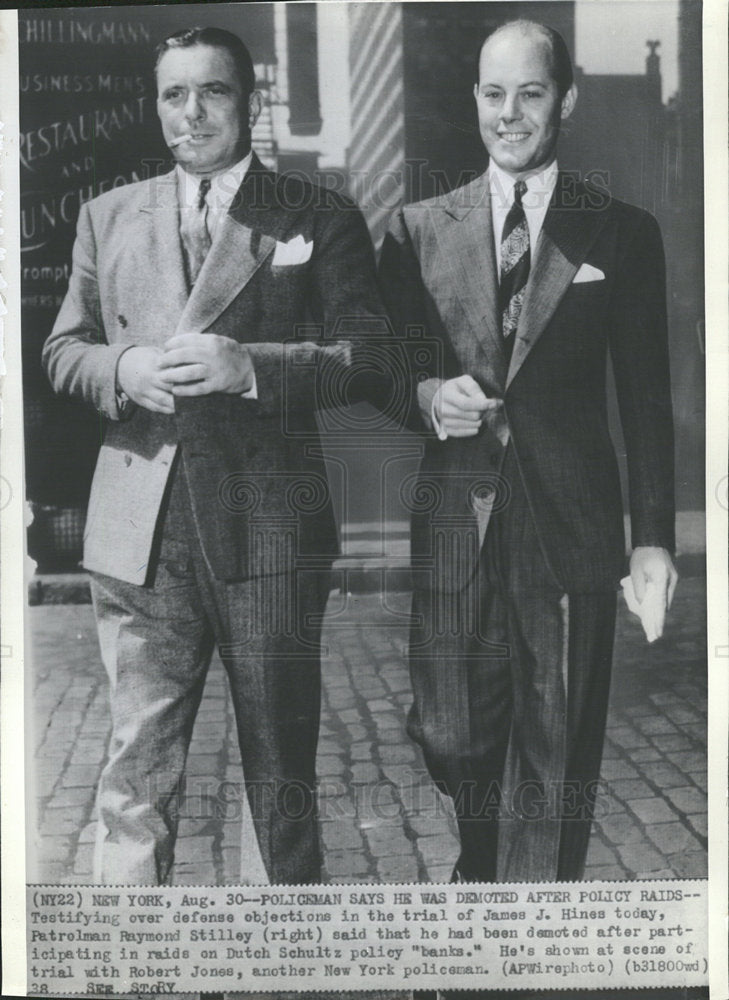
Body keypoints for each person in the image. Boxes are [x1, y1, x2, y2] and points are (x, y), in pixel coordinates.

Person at [43, 25, 391, 885]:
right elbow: (63, 350)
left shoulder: (316, 213)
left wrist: (253, 367)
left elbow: (370, 360)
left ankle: (281, 943)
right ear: (156, 104)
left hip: (267, 530)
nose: (191, 113)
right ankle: (129, 949)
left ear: (250, 101)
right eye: (173, 94)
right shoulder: (107, 217)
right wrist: (121, 368)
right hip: (139, 531)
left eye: (213, 92)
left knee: (279, 770)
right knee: (135, 770)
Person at [379, 19, 678, 888]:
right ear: (474, 99)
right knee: (449, 731)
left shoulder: (618, 232)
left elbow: (645, 401)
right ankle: (483, 865)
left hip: (570, 525)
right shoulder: (416, 230)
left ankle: (527, 923)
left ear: (566, 100)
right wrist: (427, 396)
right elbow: (383, 369)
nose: (508, 114)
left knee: (555, 744)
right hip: (455, 522)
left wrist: (651, 539)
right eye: (493, 93)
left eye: (530, 93)